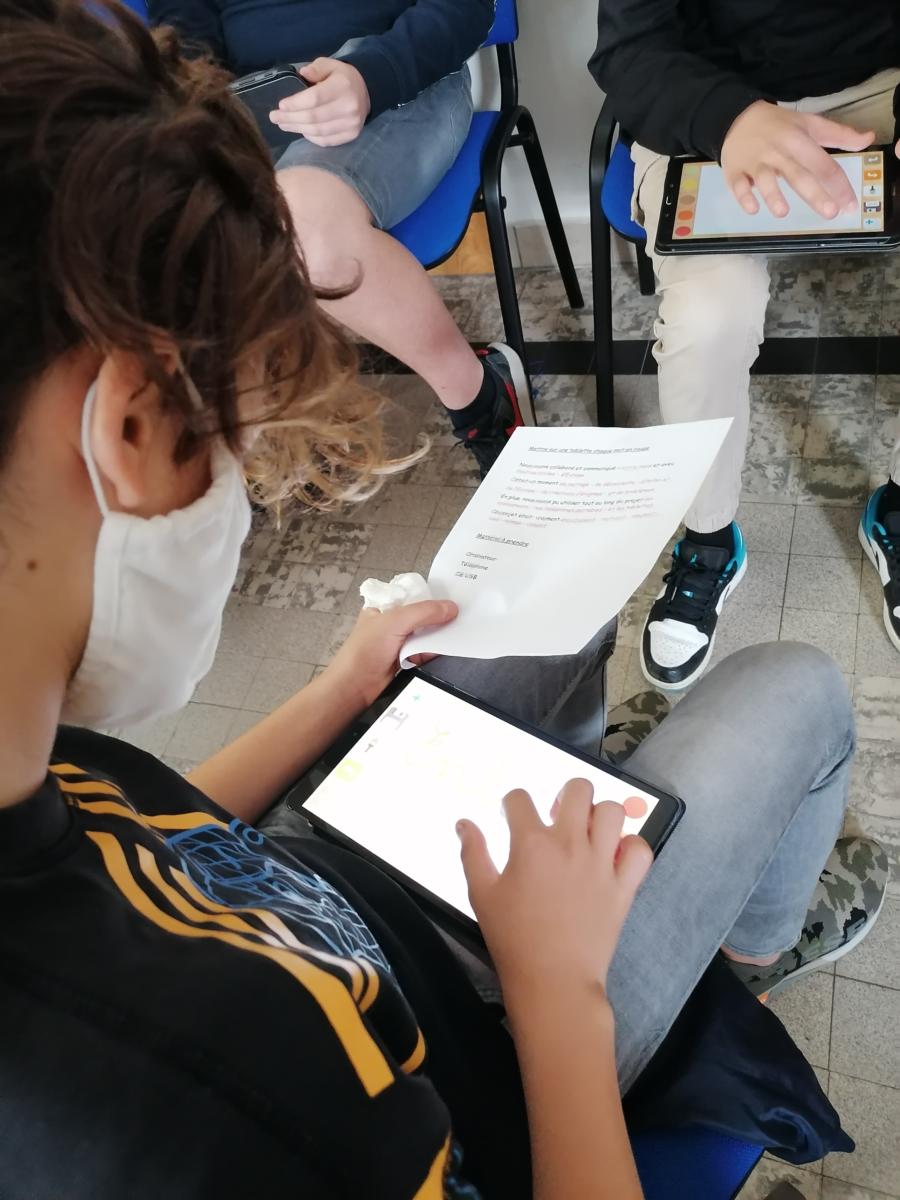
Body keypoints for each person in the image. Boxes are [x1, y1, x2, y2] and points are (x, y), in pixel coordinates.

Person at [0, 3, 887, 1197]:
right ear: (130, 428)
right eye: (237, 431)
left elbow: (145, 835)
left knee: (544, 583)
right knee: (799, 689)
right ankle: (743, 959)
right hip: (505, 1038)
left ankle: (612, 807)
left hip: (332, 873)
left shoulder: (29, 751)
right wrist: (558, 988)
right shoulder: (197, 1114)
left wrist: (337, 689)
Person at [590, 2, 900, 689]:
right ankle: (707, 537)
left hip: (879, 85)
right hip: (706, 96)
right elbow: (627, 49)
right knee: (708, 317)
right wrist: (729, 118)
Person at [148, 0, 532, 479]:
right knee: (162, 229)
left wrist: (372, 77)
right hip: (253, 98)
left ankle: (482, 396)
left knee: (304, 229)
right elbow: (184, 32)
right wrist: (209, 112)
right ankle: (265, 439)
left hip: (397, 78)